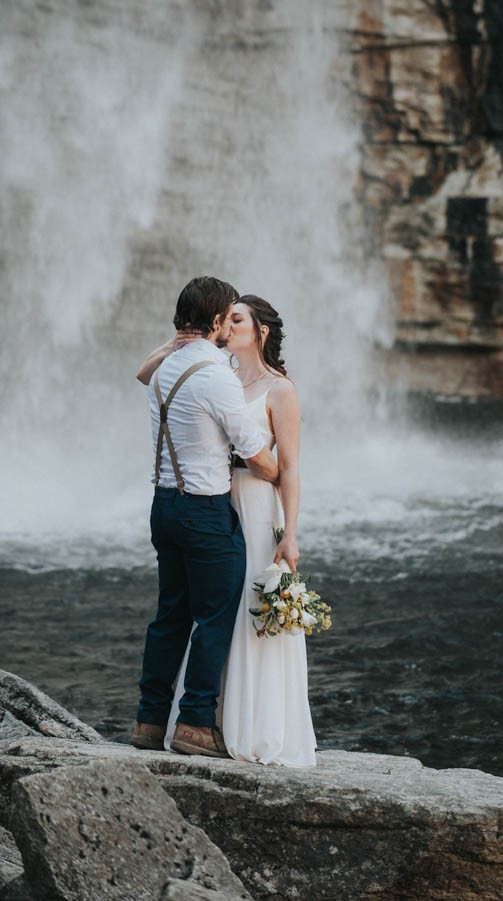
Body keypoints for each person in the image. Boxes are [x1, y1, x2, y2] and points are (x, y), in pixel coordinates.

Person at [136, 294, 316, 767]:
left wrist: (290, 533)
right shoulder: (217, 374)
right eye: (225, 318)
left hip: (255, 507)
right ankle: (202, 720)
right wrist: (178, 340)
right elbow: (145, 374)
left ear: (260, 332)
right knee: (213, 614)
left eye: (238, 319)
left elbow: (291, 468)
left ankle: (250, 725)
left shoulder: (281, 390)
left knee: (245, 611)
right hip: (215, 501)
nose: (227, 326)